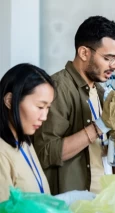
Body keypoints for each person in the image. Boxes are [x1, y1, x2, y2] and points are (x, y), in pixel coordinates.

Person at [33, 16, 115, 195]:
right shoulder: (58, 89)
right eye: (108, 58)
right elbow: (45, 152)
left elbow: (93, 150)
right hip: (73, 203)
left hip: (101, 197)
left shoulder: (99, 91)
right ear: (84, 53)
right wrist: (97, 128)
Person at [0, 64, 95, 204]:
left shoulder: (24, 142)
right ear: (9, 101)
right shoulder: (2, 152)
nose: (44, 117)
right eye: (39, 107)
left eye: (47, 108)